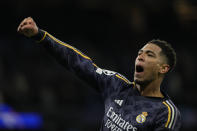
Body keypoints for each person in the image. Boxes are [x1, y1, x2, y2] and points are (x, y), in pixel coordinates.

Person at [17, 17, 181, 131]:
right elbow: (77, 62)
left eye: (149, 55)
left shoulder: (166, 112)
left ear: (163, 68)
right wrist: (40, 36)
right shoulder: (117, 85)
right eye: (140, 53)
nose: (141, 56)